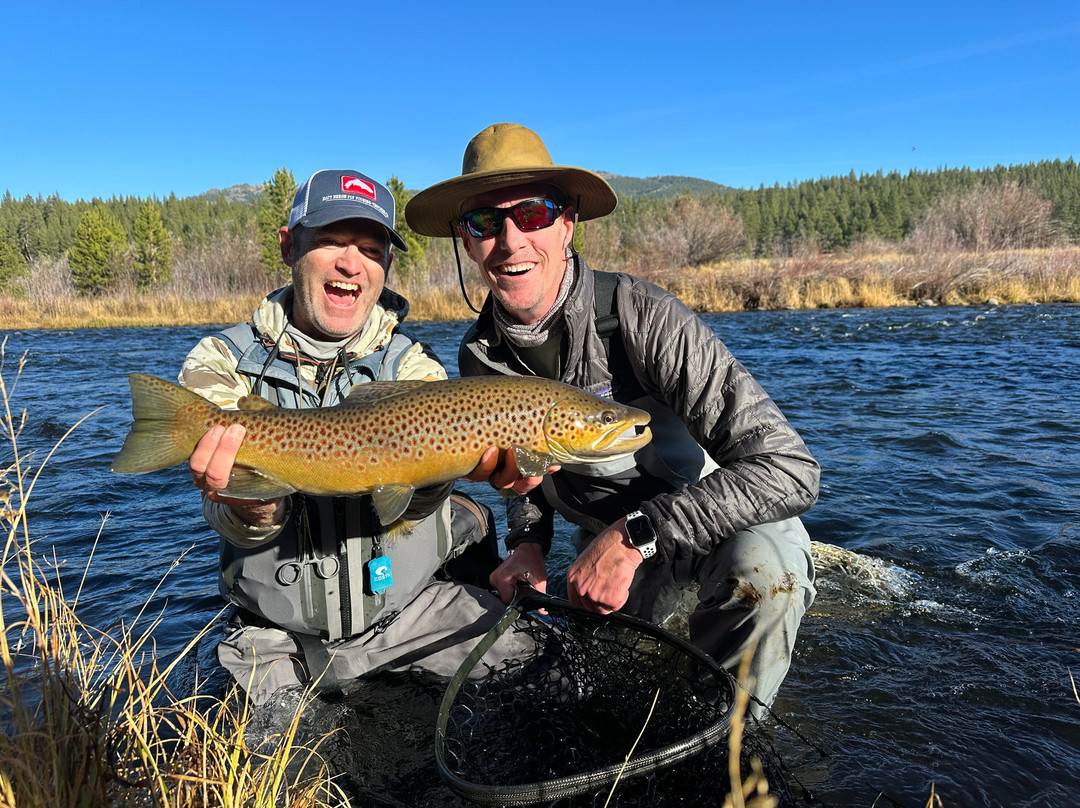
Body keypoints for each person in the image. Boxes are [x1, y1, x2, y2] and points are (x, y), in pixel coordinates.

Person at [405, 124, 820, 715]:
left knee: (764, 572)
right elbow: (523, 471)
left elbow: (791, 469)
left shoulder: (641, 316)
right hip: (600, 543)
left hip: (716, 527)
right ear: (467, 242)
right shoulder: (480, 354)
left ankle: (729, 749)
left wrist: (635, 536)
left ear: (567, 221)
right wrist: (527, 543)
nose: (511, 241)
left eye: (532, 214)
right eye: (485, 223)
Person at [181, 168, 522, 705]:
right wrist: (254, 507)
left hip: (413, 615)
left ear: (385, 265)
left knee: (538, 670)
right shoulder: (218, 367)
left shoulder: (415, 366)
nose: (350, 262)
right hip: (276, 641)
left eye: (369, 248)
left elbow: (413, 509)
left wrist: (447, 472)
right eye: (330, 241)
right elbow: (231, 523)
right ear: (289, 246)